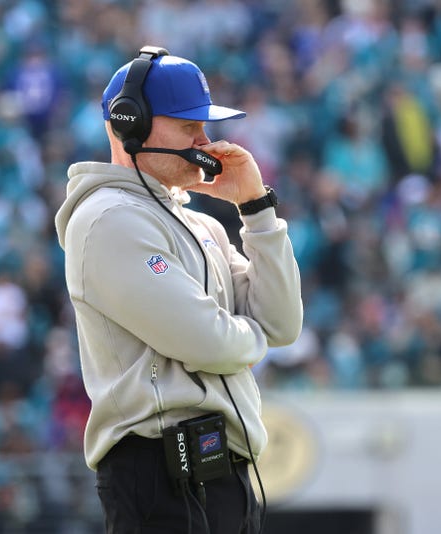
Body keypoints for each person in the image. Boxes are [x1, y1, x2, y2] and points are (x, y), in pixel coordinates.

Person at [54, 46, 303, 534]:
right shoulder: (108, 219)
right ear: (131, 123)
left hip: (220, 472)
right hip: (156, 472)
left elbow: (282, 323)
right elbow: (207, 340)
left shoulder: (200, 223)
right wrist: (250, 345)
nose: (204, 140)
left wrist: (255, 208)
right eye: (188, 125)